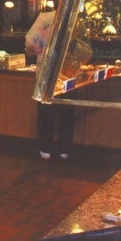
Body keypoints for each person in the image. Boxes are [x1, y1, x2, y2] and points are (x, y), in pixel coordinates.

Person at [25, 9, 75, 161]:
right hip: (69, 72)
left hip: (47, 72)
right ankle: (64, 149)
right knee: (66, 113)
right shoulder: (76, 19)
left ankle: (45, 148)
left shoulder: (45, 18)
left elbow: (31, 48)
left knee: (46, 112)